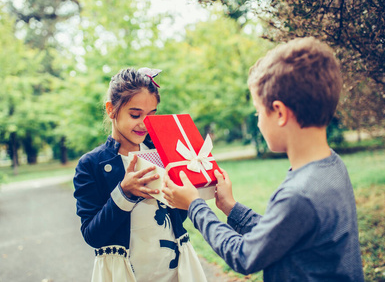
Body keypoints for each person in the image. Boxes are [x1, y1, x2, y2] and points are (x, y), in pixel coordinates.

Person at [162, 37, 365, 281]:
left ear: (279, 112)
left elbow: (244, 256)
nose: (258, 121)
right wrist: (231, 208)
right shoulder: (332, 165)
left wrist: (195, 206)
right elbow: (279, 234)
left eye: (259, 111)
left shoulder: (299, 194)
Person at [73, 68, 207, 282]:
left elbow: (179, 217)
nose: (145, 123)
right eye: (135, 115)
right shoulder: (91, 164)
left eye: (151, 115)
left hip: (174, 269)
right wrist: (123, 194)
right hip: (124, 274)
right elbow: (93, 235)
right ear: (111, 110)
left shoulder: (162, 151)